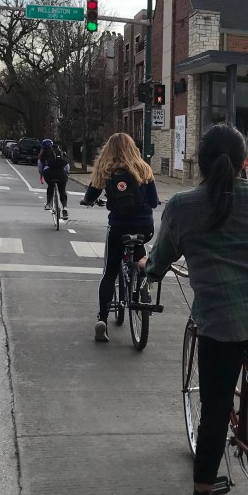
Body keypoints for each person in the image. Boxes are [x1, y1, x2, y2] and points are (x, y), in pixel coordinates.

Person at [140, 123, 248, 495]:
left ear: (201, 165)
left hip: (221, 321)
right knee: (247, 315)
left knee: (212, 414)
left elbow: (160, 259)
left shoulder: (182, 206)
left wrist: (148, 270)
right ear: (245, 162)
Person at [81, 132, 158, 342]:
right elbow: (153, 202)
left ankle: (103, 319)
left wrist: (88, 201)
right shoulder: (143, 168)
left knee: (110, 271)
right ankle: (143, 290)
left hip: (119, 228)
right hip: (144, 227)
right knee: (140, 257)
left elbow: (90, 196)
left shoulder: (105, 170)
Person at [37, 139, 69, 219]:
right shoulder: (59, 152)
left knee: (50, 186)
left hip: (49, 173)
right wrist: (66, 174)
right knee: (62, 190)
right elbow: (67, 166)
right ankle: (65, 208)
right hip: (61, 173)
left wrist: (41, 175)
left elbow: (40, 168)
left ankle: (48, 204)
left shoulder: (43, 155)